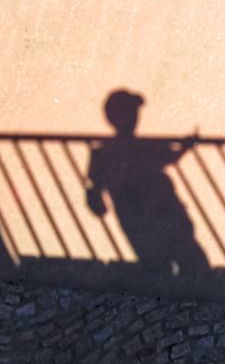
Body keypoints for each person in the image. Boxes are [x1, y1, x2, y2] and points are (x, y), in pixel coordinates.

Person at [85, 89, 207, 276]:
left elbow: (94, 187)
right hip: (156, 215)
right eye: (130, 111)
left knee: (172, 265)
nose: (134, 117)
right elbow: (168, 156)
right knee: (186, 265)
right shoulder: (113, 150)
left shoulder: (108, 150)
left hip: (155, 216)